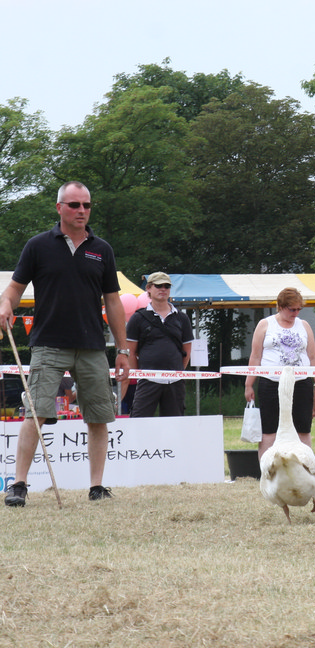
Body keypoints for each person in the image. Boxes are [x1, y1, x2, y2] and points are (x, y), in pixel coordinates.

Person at [1, 181, 131, 506]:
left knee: (98, 417)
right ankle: (18, 485)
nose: (81, 211)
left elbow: (113, 301)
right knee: (35, 413)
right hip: (48, 343)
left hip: (92, 346)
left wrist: (123, 349)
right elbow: (15, 288)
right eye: (74, 205)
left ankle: (97, 487)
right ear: (59, 207)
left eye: (86, 205)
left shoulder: (102, 249)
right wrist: (5, 305)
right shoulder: (38, 245)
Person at [244, 288, 315, 458]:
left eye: (299, 309)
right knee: (269, 430)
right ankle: (266, 469)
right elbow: (255, 356)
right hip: (271, 382)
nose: (296, 313)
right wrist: (248, 384)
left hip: (300, 382)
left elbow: (313, 356)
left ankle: (305, 466)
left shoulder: (304, 326)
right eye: (292, 309)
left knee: (303, 428)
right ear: (280, 306)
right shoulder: (265, 324)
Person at [125, 272, 193, 417]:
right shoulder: (138, 318)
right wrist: (140, 374)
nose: (163, 289)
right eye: (159, 285)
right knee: (138, 421)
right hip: (147, 380)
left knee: (174, 425)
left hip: (175, 381)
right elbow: (130, 352)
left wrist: (177, 371)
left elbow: (186, 352)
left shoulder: (182, 318)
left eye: (167, 286)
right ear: (148, 288)